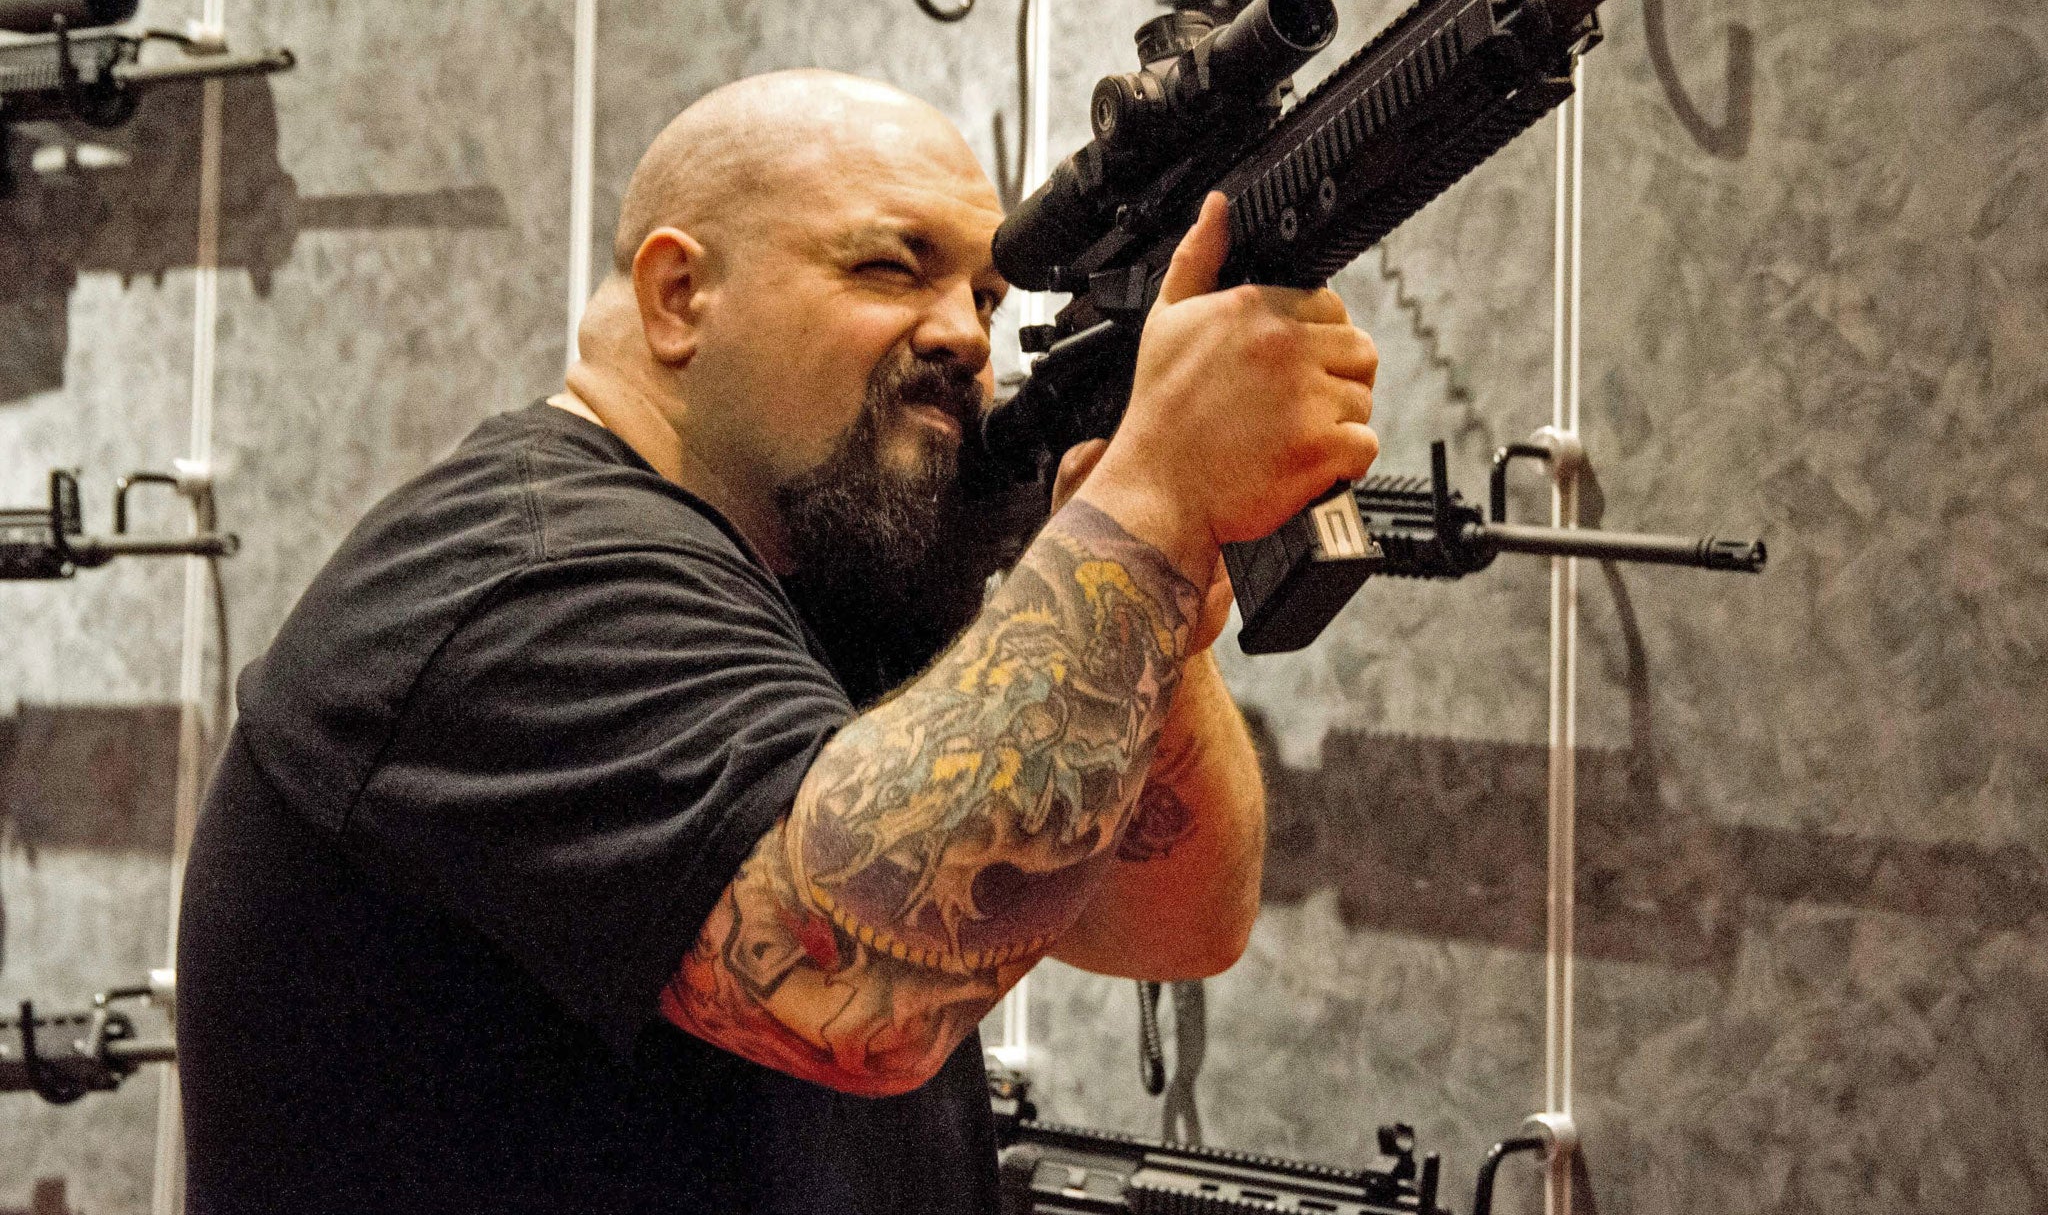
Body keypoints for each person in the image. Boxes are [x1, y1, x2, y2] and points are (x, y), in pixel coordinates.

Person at [175, 70, 1379, 1213]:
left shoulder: (818, 579)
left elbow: (1171, 922)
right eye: (889, 267)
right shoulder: (531, 577)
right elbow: (865, 989)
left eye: (984, 298)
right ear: (677, 296)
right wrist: (1158, 505)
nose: (963, 336)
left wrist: (1144, 582)